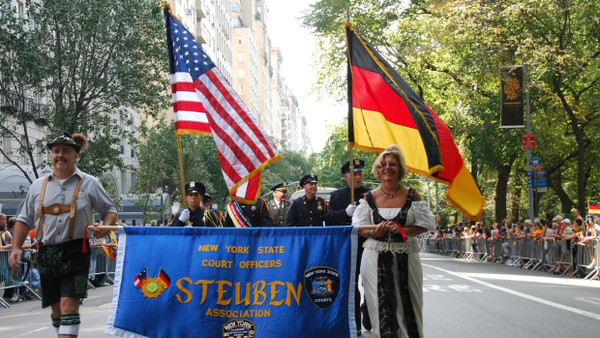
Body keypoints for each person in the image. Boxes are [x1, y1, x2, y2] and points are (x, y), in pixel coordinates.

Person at [8, 132, 117, 337]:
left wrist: (104, 227)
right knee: (57, 309)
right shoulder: (38, 186)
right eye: (56, 151)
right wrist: (15, 247)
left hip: (76, 250)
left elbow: (110, 210)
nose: (60, 155)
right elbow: (24, 219)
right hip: (46, 252)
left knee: (68, 306)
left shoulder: (90, 183)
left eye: (66, 151)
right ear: (51, 155)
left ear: (75, 156)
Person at [352, 145, 435, 337]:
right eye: (383, 164)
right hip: (374, 258)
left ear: (401, 169)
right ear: (378, 170)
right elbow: (359, 228)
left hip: (406, 256)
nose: (387, 168)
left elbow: (426, 225)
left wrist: (403, 230)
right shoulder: (369, 198)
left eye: (393, 164)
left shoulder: (412, 195)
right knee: (381, 307)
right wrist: (374, 233)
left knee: (410, 305)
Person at [325, 159, 372, 332]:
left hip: (367, 244)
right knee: (351, 285)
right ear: (346, 176)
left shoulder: (371, 194)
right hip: (347, 247)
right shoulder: (336, 196)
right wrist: (344, 212)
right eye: (354, 174)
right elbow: (328, 219)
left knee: (369, 283)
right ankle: (355, 325)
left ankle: (367, 309)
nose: (357, 177)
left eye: (360, 174)